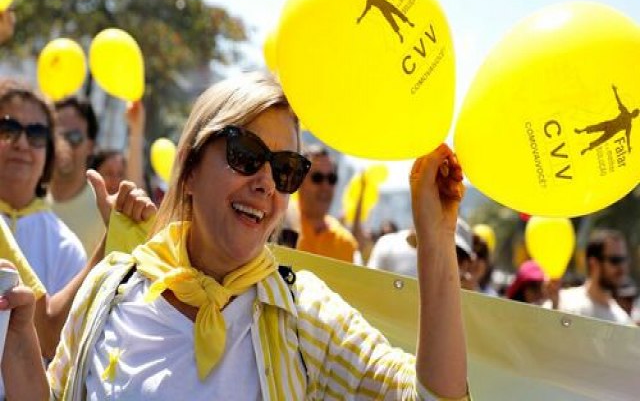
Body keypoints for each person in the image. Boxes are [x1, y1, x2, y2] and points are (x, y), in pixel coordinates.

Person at [2, 72, 469, 400]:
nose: (267, 182)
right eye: (246, 154)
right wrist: (22, 352)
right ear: (189, 168)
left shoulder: (305, 316)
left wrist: (437, 238)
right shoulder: (109, 289)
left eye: (286, 169)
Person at [0, 79, 86, 296]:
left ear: (50, 152)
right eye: (8, 130)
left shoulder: (66, 249)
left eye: (36, 134)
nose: (22, 144)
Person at [48, 96, 106, 255]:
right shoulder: (26, 199)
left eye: (74, 137)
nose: (63, 145)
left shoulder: (103, 212)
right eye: (56, 136)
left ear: (90, 146)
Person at [295, 145, 360, 263]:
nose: (325, 186)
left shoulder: (345, 243)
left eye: (331, 178)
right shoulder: (277, 226)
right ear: (298, 181)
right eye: (317, 178)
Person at [555, 229, 634, 324]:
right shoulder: (563, 302)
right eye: (615, 260)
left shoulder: (622, 320)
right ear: (594, 263)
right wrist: (555, 305)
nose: (622, 268)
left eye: (624, 260)